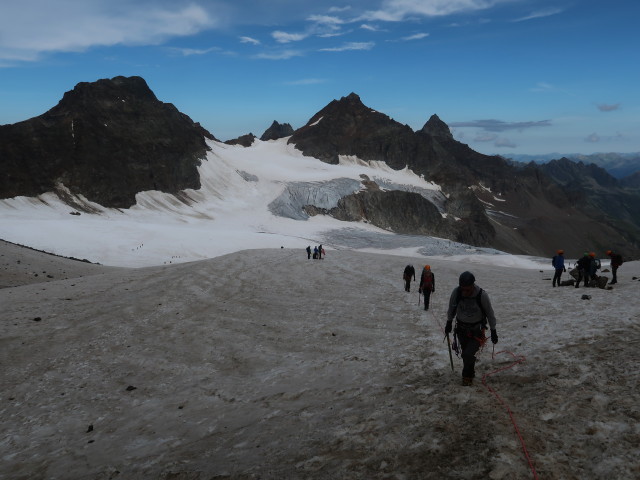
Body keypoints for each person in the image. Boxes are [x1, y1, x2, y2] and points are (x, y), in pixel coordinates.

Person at [445, 271, 498, 386]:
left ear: (473, 286)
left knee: (468, 354)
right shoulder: (457, 292)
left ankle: (466, 378)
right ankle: (471, 371)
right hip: (461, 330)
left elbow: (490, 313)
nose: (464, 292)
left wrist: (493, 330)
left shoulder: (481, 295)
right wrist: (449, 322)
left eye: (467, 290)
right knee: (466, 353)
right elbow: (451, 308)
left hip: (477, 331)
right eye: (462, 289)